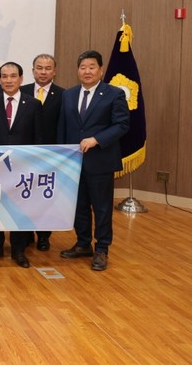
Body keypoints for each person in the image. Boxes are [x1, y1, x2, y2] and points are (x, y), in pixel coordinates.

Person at [58, 50, 130, 271]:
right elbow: (63, 126)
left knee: (102, 207)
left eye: (91, 67)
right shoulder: (69, 94)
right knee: (79, 205)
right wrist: (61, 155)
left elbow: (122, 125)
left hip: (100, 161)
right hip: (74, 162)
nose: (87, 71)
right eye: (83, 67)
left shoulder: (114, 94)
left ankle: (102, 249)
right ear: (77, 70)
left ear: (101, 70)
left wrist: (96, 139)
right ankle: (83, 244)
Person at [0, 62, 44, 268]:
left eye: (13, 76)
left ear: (21, 79)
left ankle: (18, 250)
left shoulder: (33, 104)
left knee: (20, 209)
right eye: (5, 76)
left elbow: (38, 138)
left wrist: (34, 165)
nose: (9, 80)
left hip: (22, 167)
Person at [21, 53, 64, 251]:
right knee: (25, 195)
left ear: (54, 72)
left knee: (46, 198)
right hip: (24, 155)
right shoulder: (21, 91)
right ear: (32, 71)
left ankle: (44, 236)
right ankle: (25, 234)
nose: (43, 72)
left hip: (50, 157)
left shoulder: (64, 95)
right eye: (39, 68)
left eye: (48, 68)